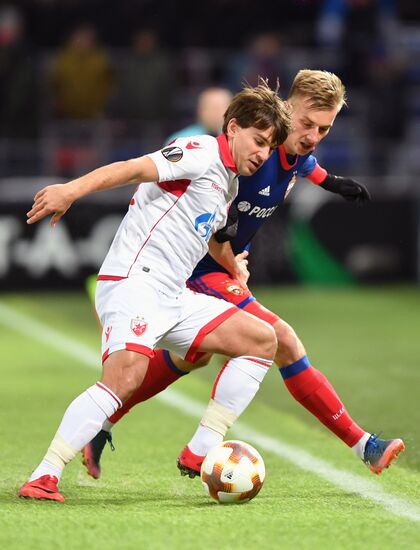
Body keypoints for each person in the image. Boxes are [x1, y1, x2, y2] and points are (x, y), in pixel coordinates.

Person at [81, 70, 404, 482]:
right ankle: (364, 445)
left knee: (190, 357)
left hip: (213, 268)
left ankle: (100, 423)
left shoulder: (299, 153)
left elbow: (308, 165)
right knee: (282, 339)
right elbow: (212, 229)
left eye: (324, 128)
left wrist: (337, 184)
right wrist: (233, 260)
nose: (313, 135)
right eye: (306, 124)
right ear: (287, 110)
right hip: (198, 268)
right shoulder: (251, 158)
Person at [18, 79, 292, 502]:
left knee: (261, 340)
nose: (261, 155)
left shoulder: (230, 182)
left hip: (173, 294)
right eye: (257, 141)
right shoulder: (199, 152)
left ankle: (200, 450)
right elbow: (132, 167)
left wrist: (230, 262)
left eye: (269, 148)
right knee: (125, 378)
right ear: (233, 128)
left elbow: (208, 235)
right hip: (135, 281)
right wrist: (69, 191)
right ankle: (45, 474)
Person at [165, 87, 233, 143]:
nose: (216, 113)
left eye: (220, 107)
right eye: (211, 107)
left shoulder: (236, 141)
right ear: (199, 110)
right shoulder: (178, 141)